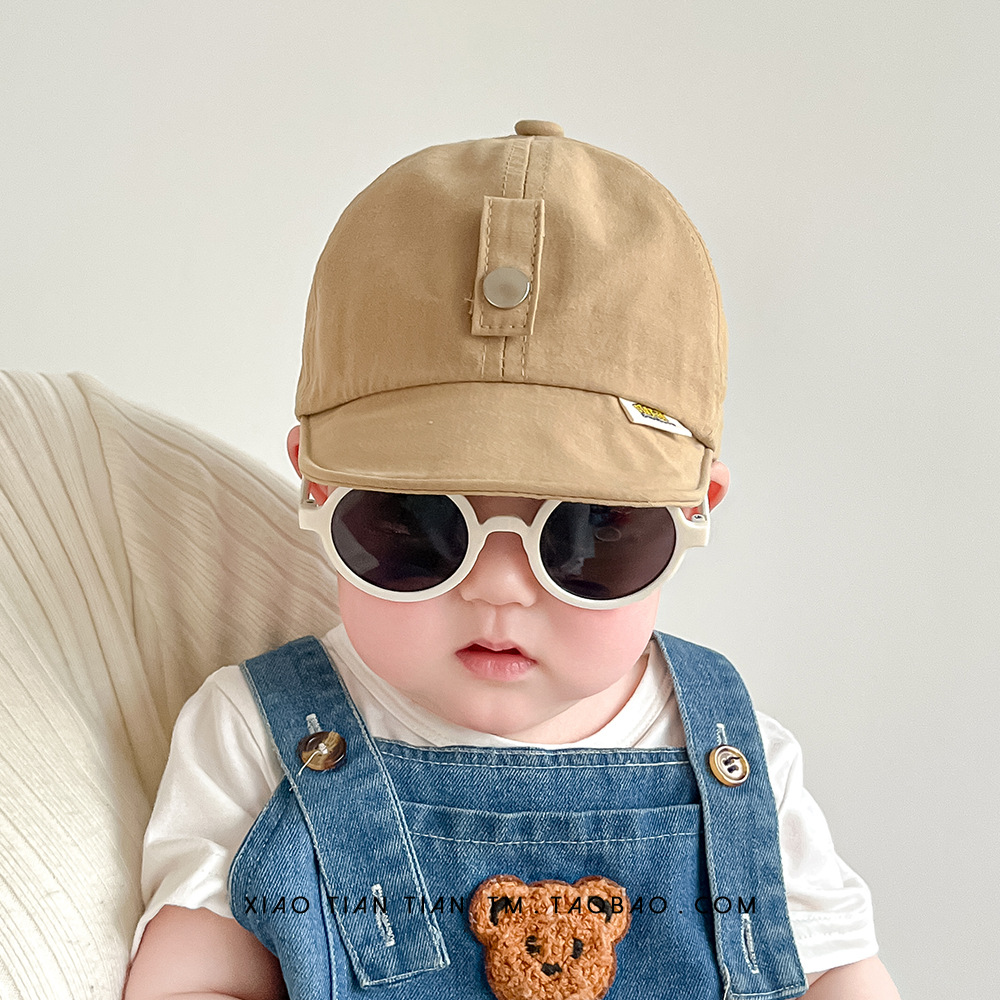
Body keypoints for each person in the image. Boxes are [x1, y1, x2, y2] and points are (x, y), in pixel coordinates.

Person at [122, 120, 900, 999]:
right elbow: (193, 980)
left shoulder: (738, 757)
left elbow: (842, 977)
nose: (499, 586)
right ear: (315, 485)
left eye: (585, 531)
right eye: (418, 523)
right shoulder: (256, 738)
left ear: (694, 512)